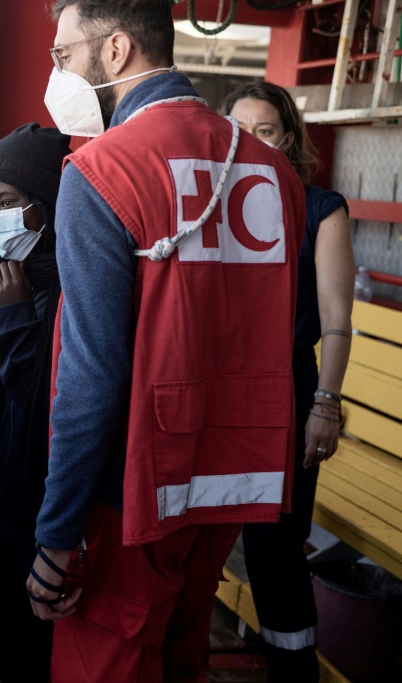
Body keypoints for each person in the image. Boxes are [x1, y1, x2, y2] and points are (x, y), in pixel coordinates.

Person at [26, 2, 307, 681]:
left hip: (133, 485)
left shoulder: (101, 171)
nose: (57, 73)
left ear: (115, 51)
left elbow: (91, 374)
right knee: (184, 652)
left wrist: (57, 534)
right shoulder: (277, 172)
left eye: (64, 56)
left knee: (110, 658)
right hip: (234, 472)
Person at [222, 81, 354, 683]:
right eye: (238, 130)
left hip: (290, 391)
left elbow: (337, 323)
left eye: (266, 131)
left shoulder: (321, 208)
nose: (251, 143)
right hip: (219, 389)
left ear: (290, 138)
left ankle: (292, 673)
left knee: (276, 548)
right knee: (203, 539)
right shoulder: (208, 205)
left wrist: (325, 403)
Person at [0, 122, 70, 682]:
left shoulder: (67, 287)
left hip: (44, 516)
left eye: (8, 201)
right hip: (5, 510)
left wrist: (11, 317)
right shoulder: (15, 276)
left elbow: (42, 398)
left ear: (47, 203)